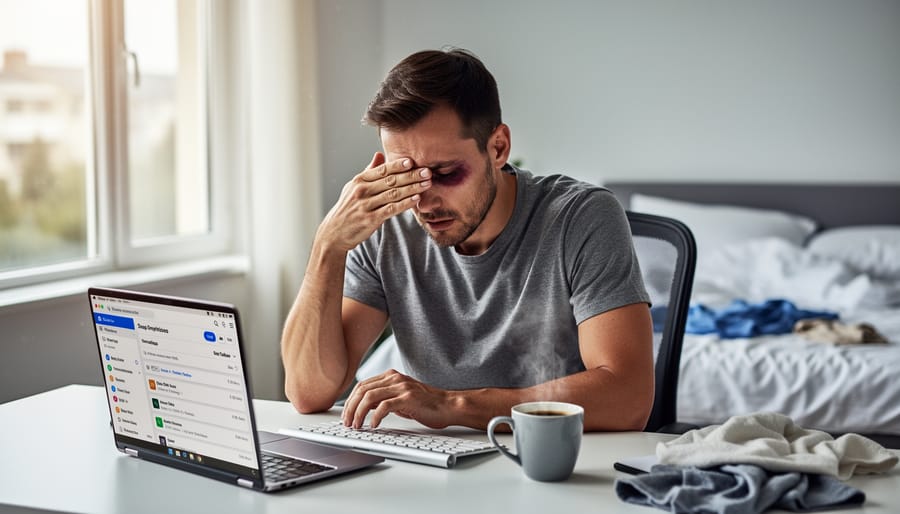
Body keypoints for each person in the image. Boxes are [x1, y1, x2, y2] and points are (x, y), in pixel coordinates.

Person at [281, 48, 654, 432]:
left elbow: (628, 397)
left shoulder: (581, 217)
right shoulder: (386, 227)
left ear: (498, 148)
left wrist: (452, 405)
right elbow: (309, 392)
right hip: (434, 468)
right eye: (406, 176)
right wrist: (329, 245)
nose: (423, 201)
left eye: (444, 173)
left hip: (549, 465)